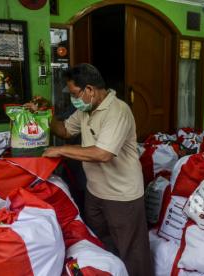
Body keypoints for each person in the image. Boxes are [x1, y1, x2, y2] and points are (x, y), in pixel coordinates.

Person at [41, 63, 151, 276]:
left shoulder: (118, 111)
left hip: (122, 196)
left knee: (132, 251)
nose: (73, 98)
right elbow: (64, 130)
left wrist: (60, 151)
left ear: (89, 90)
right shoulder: (86, 110)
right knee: (100, 245)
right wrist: (46, 114)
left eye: (74, 93)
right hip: (95, 192)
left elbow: (103, 154)